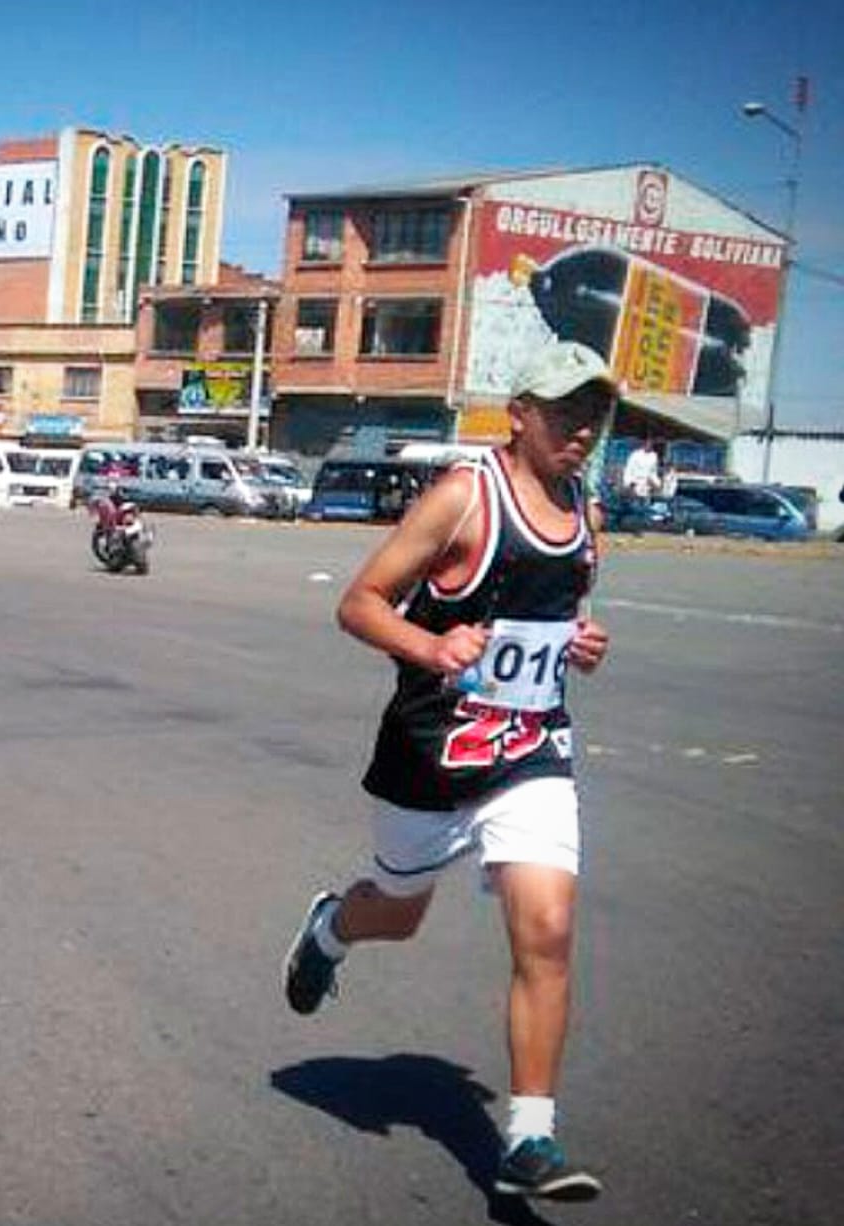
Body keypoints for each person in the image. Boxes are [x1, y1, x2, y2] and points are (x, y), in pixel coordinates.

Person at [282, 339, 615, 1203]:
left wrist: (579, 642)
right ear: (519, 412)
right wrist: (431, 645)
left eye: (594, 413)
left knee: (546, 926)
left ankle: (528, 1139)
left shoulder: (585, 508)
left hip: (531, 748)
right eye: (563, 411)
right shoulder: (463, 495)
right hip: (431, 755)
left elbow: (559, 613)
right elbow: (356, 602)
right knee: (397, 914)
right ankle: (329, 928)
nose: (580, 429)